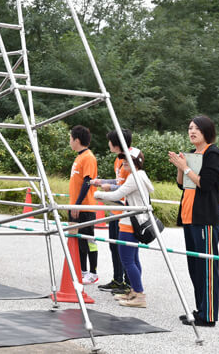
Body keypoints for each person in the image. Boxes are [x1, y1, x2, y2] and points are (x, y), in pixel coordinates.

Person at [168, 115, 219, 327]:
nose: (192, 131)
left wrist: (186, 167)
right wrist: (180, 166)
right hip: (189, 217)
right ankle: (200, 309)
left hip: (205, 218)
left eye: (197, 129)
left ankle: (208, 315)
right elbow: (183, 185)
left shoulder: (213, 154)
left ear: (206, 131)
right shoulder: (193, 154)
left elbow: (206, 184)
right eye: (190, 128)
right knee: (195, 267)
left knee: (207, 266)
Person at [94, 148, 153, 308]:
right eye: (123, 159)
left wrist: (98, 195)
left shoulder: (134, 177)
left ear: (136, 162)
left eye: (128, 159)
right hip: (135, 221)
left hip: (129, 223)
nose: (124, 162)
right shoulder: (141, 175)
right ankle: (135, 291)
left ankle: (139, 294)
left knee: (127, 260)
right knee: (133, 259)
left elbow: (116, 194)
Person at [92, 129, 132, 295]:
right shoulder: (118, 160)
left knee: (125, 249)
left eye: (110, 141)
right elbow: (118, 181)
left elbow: (128, 186)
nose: (108, 144)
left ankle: (128, 283)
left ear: (116, 143)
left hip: (125, 211)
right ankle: (117, 280)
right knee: (114, 246)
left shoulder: (130, 159)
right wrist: (102, 181)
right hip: (114, 210)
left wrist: (110, 187)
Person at [68, 125, 99, 285]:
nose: (69, 142)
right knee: (77, 240)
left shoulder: (88, 157)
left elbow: (87, 182)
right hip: (75, 206)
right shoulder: (79, 157)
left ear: (77, 140)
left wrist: (78, 204)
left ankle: (93, 273)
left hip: (85, 207)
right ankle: (82, 270)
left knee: (88, 240)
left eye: (70, 138)